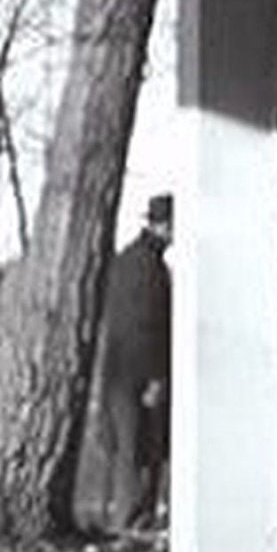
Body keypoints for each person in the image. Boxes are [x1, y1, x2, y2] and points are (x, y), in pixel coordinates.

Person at [95, 194, 173, 531]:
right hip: (138, 375)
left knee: (126, 454)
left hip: (117, 371)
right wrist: (156, 376)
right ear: (163, 225)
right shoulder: (150, 266)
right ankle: (130, 526)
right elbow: (148, 324)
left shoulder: (126, 259)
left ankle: (121, 521)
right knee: (142, 453)